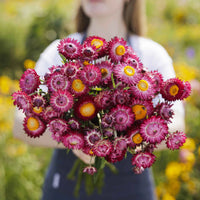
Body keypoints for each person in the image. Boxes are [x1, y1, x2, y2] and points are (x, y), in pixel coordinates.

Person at [13, 0, 185, 199]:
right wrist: (74, 140)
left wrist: (129, 139)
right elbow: (20, 124)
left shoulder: (151, 54)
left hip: (131, 191)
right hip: (65, 190)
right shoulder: (61, 51)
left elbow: (177, 125)